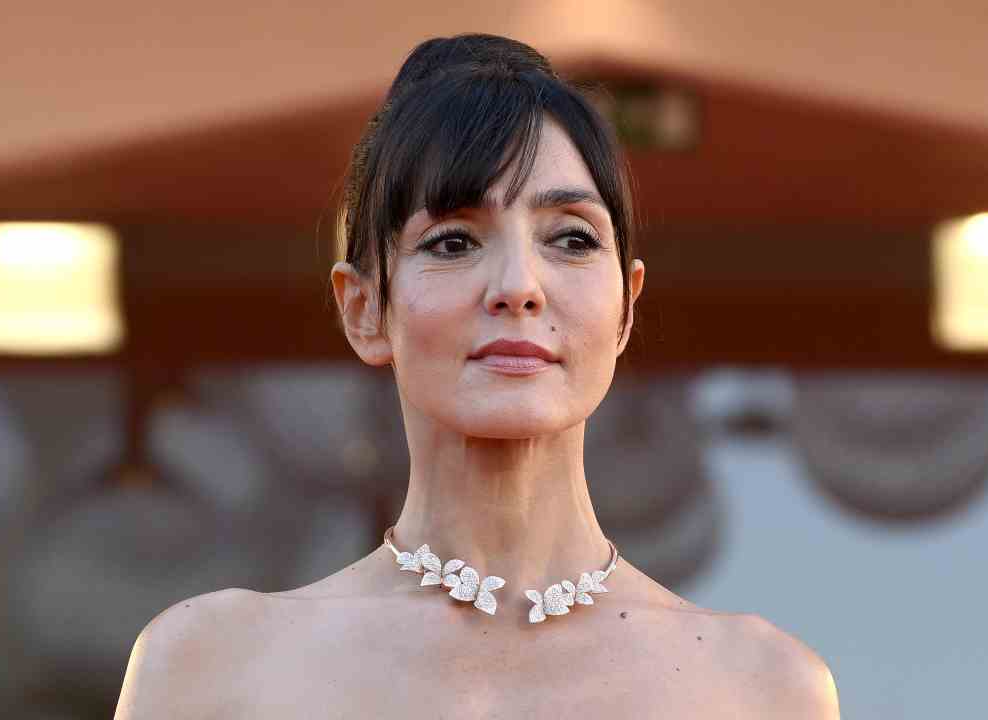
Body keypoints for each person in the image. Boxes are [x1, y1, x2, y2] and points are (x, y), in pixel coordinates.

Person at [115, 33, 839, 719]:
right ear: (363, 308)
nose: (519, 286)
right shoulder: (211, 665)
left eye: (572, 238)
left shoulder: (762, 688)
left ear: (626, 306)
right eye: (454, 241)